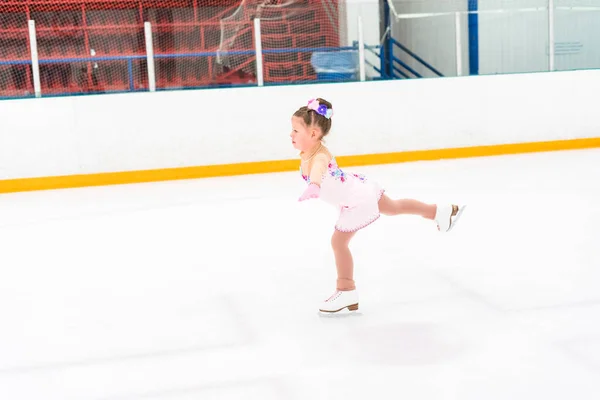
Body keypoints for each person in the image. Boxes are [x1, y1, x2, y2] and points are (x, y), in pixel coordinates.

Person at [292, 98, 466, 313]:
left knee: (338, 243)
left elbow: (318, 170)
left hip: (356, 200)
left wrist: (315, 185)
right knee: (393, 207)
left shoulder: (319, 156)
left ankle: (346, 290)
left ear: (313, 134)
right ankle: (441, 212)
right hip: (355, 190)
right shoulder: (307, 153)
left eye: (295, 131)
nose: (291, 135)